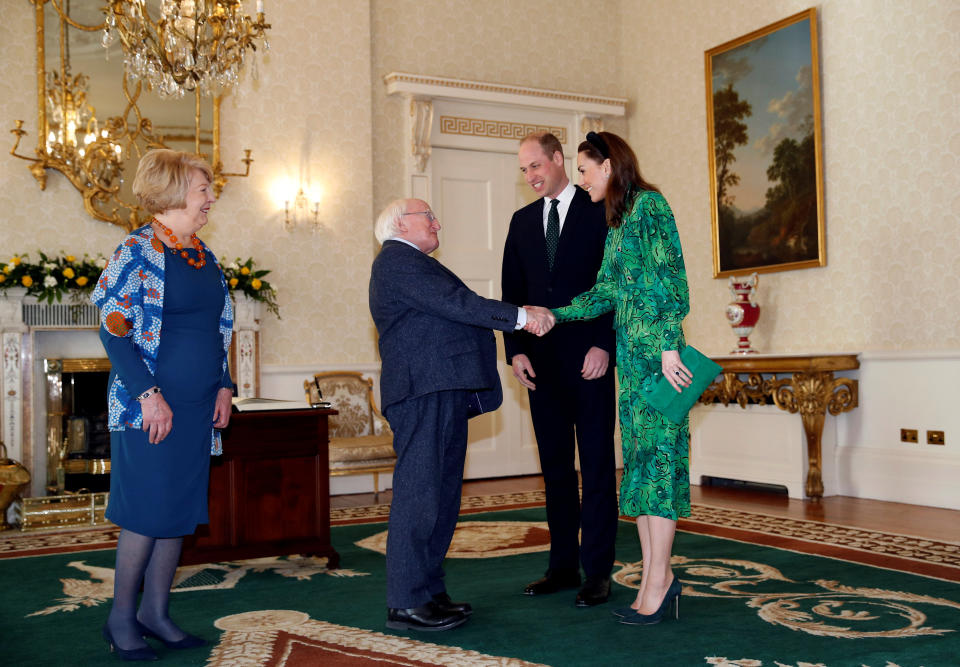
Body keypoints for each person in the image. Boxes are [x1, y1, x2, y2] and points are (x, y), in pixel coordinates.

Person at [369, 198, 554, 632]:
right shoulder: (397, 260)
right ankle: (407, 601)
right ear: (400, 225)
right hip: (423, 390)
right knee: (420, 496)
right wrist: (523, 316)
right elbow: (459, 304)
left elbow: (456, 306)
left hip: (440, 389)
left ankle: (429, 593)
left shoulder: (413, 262)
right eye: (427, 216)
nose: (438, 222)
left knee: (441, 497)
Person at [91, 149, 235, 659]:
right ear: (174, 192)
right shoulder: (135, 252)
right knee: (145, 512)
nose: (210, 199)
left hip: (198, 408)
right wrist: (149, 395)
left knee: (177, 512)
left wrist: (225, 385)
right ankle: (120, 619)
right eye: (202, 190)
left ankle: (156, 612)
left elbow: (218, 330)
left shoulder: (203, 255)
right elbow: (113, 330)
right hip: (149, 407)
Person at [552, 131, 693, 626]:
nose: (581, 179)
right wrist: (549, 314)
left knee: (659, 466)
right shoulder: (617, 220)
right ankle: (658, 575)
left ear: (608, 166)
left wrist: (672, 345)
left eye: (585, 170)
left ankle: (659, 580)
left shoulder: (651, 206)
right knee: (639, 466)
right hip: (632, 364)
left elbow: (671, 279)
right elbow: (604, 291)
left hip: (662, 361)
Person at [501, 132, 618, 607]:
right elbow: (512, 292)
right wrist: (515, 351)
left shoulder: (600, 211)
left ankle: (598, 572)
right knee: (555, 470)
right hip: (541, 368)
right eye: (523, 170)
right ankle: (562, 566)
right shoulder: (521, 221)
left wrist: (603, 344)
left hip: (589, 363)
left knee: (595, 467)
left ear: (557, 159)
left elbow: (616, 285)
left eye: (535, 166)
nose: (529, 176)